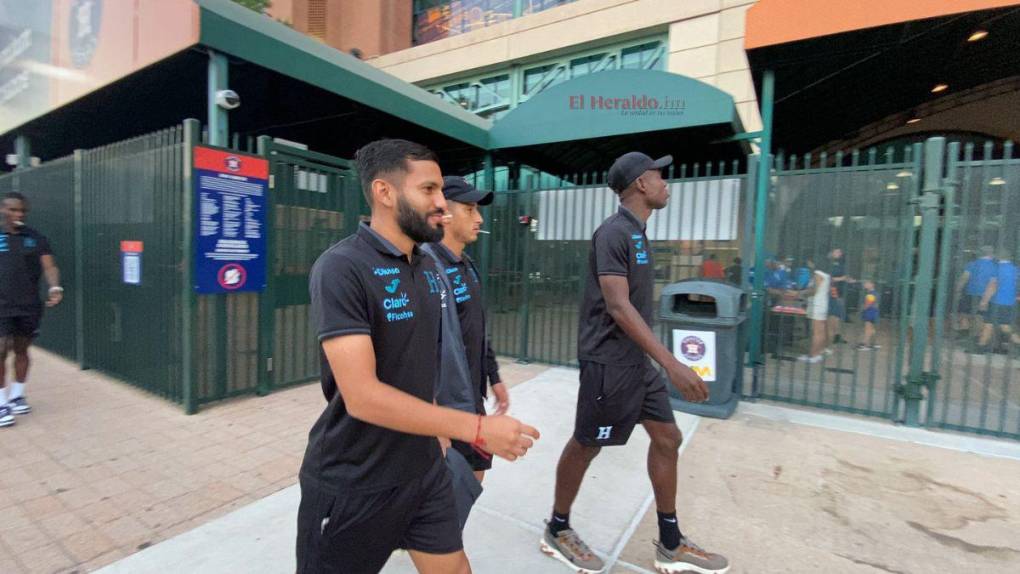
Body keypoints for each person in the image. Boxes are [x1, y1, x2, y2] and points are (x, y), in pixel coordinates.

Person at [295, 139, 539, 574]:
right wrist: (476, 428)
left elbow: (430, 362)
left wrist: (441, 428)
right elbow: (363, 396)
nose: (442, 204)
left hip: (424, 468)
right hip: (355, 478)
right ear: (384, 193)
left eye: (441, 191)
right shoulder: (341, 267)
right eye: (429, 190)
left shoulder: (429, 269)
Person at [541, 152, 728, 574]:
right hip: (608, 362)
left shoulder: (638, 234)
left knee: (667, 438)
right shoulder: (613, 233)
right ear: (641, 184)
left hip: (637, 363)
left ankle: (670, 542)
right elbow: (619, 307)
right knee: (587, 444)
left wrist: (654, 361)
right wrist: (673, 365)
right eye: (660, 176)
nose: (666, 184)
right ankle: (557, 527)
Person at [425, 176, 509, 484]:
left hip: (471, 399)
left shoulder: (467, 265)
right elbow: (419, 351)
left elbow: (478, 329)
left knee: (473, 479)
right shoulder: (426, 267)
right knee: (450, 492)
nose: (479, 218)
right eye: (470, 209)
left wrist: (494, 377)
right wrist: (436, 422)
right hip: (446, 408)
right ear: (444, 213)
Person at [0, 192, 62, 428]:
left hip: (28, 305)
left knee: (22, 350)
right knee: (1, 349)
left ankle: (17, 395)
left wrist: (55, 286)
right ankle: (1, 403)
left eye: (22, 211)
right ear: (3, 209)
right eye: (13, 210)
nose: (18, 215)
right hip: (1, 306)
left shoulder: (35, 237)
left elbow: (49, 264)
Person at [976, 250, 1020, 354]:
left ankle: (981, 347)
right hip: (1010, 303)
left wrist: (984, 301)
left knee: (989, 324)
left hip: (996, 302)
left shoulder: (997, 269)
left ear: (998, 258)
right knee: (1004, 326)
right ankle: (981, 346)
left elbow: (992, 286)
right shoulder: (1016, 270)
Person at [954, 246, 996, 336]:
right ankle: (975, 337)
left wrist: (957, 290)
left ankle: (965, 332)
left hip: (970, 294)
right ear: (991, 254)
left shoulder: (971, 264)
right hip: (985, 296)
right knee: (979, 317)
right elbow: (993, 284)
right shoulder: (994, 266)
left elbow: (963, 279)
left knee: (964, 314)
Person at [796, 257, 831, 363]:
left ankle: (812, 355)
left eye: (809, 262)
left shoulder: (817, 273)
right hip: (823, 304)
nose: (807, 264)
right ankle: (817, 353)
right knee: (821, 331)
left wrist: (801, 293)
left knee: (816, 332)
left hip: (817, 305)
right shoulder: (827, 275)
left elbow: (814, 290)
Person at [827, 248, 851, 345]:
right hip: (832, 291)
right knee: (833, 314)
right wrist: (842, 278)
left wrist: (847, 279)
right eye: (837, 251)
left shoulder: (841, 264)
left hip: (840, 291)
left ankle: (836, 335)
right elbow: (828, 278)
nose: (839, 253)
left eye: (840, 252)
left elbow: (844, 276)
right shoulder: (828, 264)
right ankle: (830, 336)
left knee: (837, 315)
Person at [856, 280, 880, 351]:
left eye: (867, 283)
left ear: (872, 284)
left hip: (869, 313)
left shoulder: (871, 294)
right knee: (871, 329)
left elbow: (867, 305)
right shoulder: (875, 293)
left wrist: (862, 310)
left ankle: (865, 344)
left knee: (867, 329)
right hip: (874, 312)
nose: (865, 285)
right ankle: (875, 343)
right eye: (865, 283)